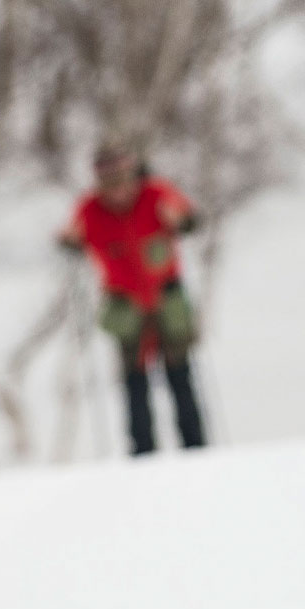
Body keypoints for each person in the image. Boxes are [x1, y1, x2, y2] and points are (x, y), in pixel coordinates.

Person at [58, 142, 209, 456]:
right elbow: (70, 236)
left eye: (122, 179)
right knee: (134, 384)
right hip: (124, 303)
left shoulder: (156, 194)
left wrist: (181, 221)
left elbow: (190, 218)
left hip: (167, 297)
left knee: (180, 375)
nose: (118, 191)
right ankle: (143, 456)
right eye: (109, 182)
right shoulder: (89, 209)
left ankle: (196, 451)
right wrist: (69, 242)